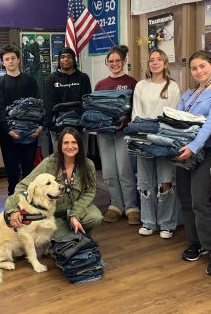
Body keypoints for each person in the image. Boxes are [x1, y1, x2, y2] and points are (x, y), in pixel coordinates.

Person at [176, 50, 211, 276]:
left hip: (205, 151)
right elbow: (176, 119)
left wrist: (194, 146)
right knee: (186, 199)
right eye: (194, 68)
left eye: (202, 66)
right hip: (183, 152)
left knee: (201, 200)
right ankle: (196, 242)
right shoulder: (188, 94)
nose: (198, 71)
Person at [5, 127, 103, 238]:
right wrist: (12, 209)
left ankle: (75, 234)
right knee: (56, 236)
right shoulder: (49, 163)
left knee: (95, 217)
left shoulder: (88, 164)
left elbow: (90, 191)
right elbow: (23, 185)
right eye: (66, 143)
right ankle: (71, 237)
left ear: (79, 145)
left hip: (77, 207)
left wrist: (75, 214)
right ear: (60, 145)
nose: (70, 146)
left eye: (74, 142)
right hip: (54, 214)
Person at [132, 49, 181, 238]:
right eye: (151, 60)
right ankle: (148, 222)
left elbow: (175, 114)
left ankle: (167, 223)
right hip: (143, 138)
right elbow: (136, 113)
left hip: (165, 139)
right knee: (144, 183)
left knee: (166, 182)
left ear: (165, 63)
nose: (155, 63)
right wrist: (139, 135)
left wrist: (166, 135)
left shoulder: (173, 86)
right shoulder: (141, 86)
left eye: (159, 59)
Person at [94, 45, 139, 225]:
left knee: (124, 170)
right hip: (104, 133)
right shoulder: (101, 85)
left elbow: (135, 111)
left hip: (123, 133)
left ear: (124, 61)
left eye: (117, 61)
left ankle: (131, 206)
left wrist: (126, 124)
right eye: (111, 61)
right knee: (109, 171)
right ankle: (116, 205)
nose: (114, 64)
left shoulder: (132, 83)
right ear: (107, 63)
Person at [0, 44, 43, 196]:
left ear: (18, 60)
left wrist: (39, 126)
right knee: (12, 170)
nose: (10, 61)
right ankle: (13, 200)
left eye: (13, 58)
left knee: (29, 168)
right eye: (6, 59)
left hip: (30, 132)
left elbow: (38, 104)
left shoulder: (30, 80)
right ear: (3, 63)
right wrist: (9, 130)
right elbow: (0, 109)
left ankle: (30, 199)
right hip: (9, 134)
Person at [44, 47, 91, 151]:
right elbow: (48, 104)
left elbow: (88, 102)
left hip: (80, 126)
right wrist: (51, 125)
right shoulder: (51, 78)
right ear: (59, 61)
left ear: (74, 60)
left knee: (81, 159)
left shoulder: (83, 78)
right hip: (58, 126)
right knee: (60, 160)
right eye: (62, 57)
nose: (66, 59)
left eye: (69, 57)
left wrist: (85, 124)